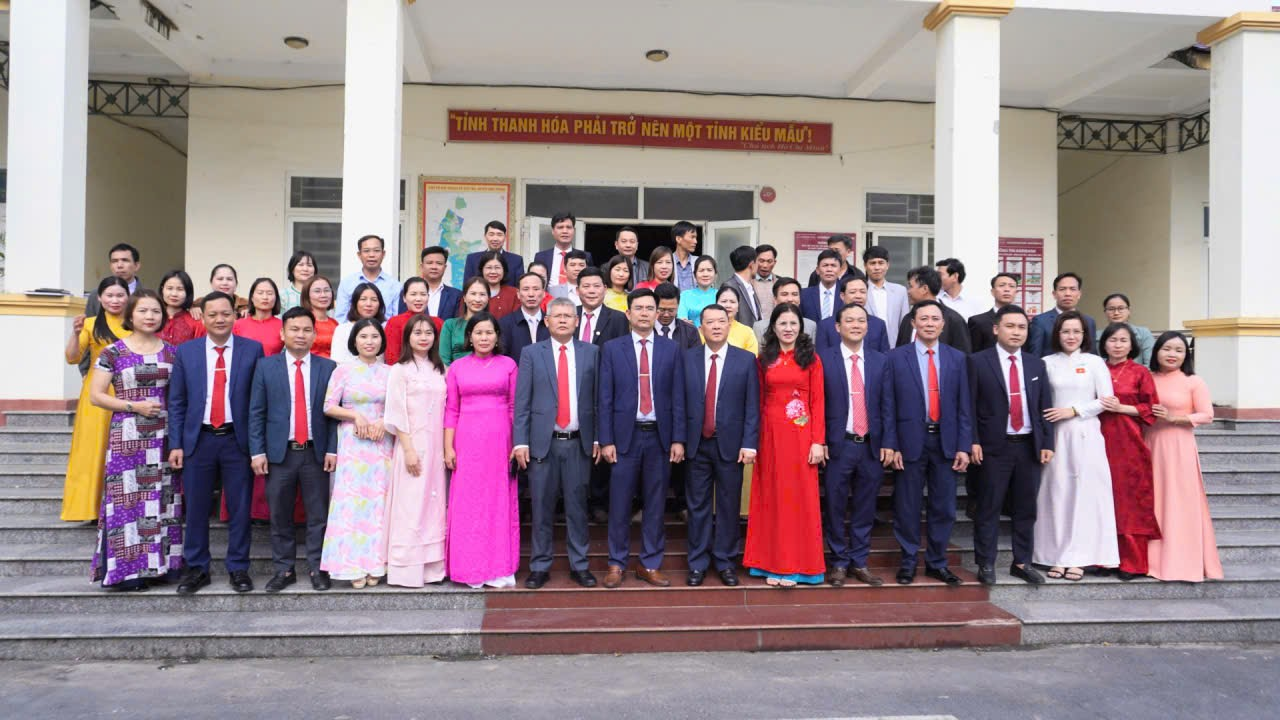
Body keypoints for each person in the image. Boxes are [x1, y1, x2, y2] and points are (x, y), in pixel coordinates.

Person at [167, 291, 264, 595]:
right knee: (196, 508)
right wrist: (176, 443)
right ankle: (197, 568)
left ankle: (238, 567)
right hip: (199, 440)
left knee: (240, 508)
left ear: (235, 315)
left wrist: (257, 446)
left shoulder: (252, 350)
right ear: (203, 318)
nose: (220, 319)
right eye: (213, 314)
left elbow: (258, 402)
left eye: (225, 313)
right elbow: (177, 401)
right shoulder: (187, 352)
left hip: (237, 440)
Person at [87, 290, 182, 591]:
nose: (150, 316)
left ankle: (161, 566)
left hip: (164, 437)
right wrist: (134, 406)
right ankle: (128, 571)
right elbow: (96, 396)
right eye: (143, 311)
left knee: (162, 501)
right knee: (127, 504)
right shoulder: (112, 352)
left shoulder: (173, 353)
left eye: (155, 311)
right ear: (130, 315)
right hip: (128, 436)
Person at [599, 289, 686, 588]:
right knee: (620, 503)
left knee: (655, 503)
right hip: (624, 438)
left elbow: (678, 396)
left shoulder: (671, 349)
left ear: (658, 313)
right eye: (639, 308)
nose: (645, 313)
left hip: (659, 437)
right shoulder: (612, 348)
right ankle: (616, 563)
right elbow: (604, 397)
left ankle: (649, 563)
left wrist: (678, 438)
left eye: (650, 308)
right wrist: (606, 439)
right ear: (628, 313)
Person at [249, 307, 340, 593]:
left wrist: (332, 449)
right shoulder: (266, 367)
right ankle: (284, 569)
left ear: (314, 334)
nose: (301, 335)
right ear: (282, 333)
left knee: (318, 515)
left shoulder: (329, 367)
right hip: (280, 454)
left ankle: (317, 567)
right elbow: (256, 412)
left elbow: (334, 415)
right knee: (279, 514)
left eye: (306, 330)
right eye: (294, 329)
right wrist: (257, 452)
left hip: (316, 453)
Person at [513, 298, 601, 589]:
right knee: (541, 508)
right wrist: (520, 442)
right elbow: (522, 402)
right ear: (547, 321)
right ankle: (539, 566)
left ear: (577, 321)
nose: (562, 320)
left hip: (578, 443)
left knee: (577, 507)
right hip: (543, 443)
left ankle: (580, 565)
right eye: (557, 316)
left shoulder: (591, 352)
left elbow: (598, 400)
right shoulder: (531, 353)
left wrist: (598, 437)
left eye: (568, 316)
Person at [884, 300, 971, 586]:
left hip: (946, 442)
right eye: (924, 319)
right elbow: (888, 405)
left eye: (935, 319)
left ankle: (937, 562)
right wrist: (892, 444)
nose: (930, 323)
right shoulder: (896, 357)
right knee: (907, 506)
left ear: (943, 324)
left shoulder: (957, 358)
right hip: (909, 441)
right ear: (913, 323)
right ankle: (908, 562)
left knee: (943, 507)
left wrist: (964, 445)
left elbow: (964, 406)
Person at [967, 305, 1055, 586]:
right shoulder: (977, 361)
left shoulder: (1036, 364)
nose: (1016, 332)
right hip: (994, 446)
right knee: (989, 507)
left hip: (1028, 446)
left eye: (1022, 327)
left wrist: (1047, 441)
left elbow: (1044, 406)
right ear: (996, 329)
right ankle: (986, 563)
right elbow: (968, 406)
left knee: (1026, 508)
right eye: (1010, 326)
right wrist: (972, 440)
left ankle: (1022, 562)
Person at [743, 303, 826, 586]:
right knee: (771, 497)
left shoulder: (811, 359)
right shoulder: (763, 359)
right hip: (769, 435)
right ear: (773, 327)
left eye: (793, 324)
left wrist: (818, 442)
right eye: (782, 324)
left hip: (801, 436)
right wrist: (752, 440)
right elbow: (756, 401)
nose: (788, 329)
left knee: (798, 499)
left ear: (801, 327)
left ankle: (796, 566)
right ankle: (770, 563)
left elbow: (818, 402)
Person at [1033, 311, 1119, 581]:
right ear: (1057, 334)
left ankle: (1080, 558)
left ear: (1085, 335)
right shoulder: (1046, 363)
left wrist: (1073, 410)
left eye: (1076, 332)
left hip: (1085, 433)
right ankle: (1055, 556)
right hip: (1055, 436)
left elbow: (1106, 400)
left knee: (1085, 495)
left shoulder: (1094, 363)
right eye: (1066, 331)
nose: (1071, 337)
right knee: (1056, 493)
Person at [682, 304, 759, 587]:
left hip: (731, 446)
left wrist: (750, 443)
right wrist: (679, 440)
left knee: (728, 506)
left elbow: (752, 406)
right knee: (698, 506)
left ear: (729, 325)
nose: (716, 326)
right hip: (696, 444)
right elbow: (679, 402)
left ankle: (726, 562)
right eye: (710, 322)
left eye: (721, 321)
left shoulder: (746, 360)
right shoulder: (687, 358)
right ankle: (697, 563)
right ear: (701, 327)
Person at [443, 312, 520, 588]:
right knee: (468, 504)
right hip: (466, 442)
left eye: (489, 332)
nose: (484, 337)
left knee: (497, 502)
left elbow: (514, 407)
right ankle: (468, 567)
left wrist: (515, 444)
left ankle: (498, 568)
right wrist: (448, 447)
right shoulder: (457, 367)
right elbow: (451, 410)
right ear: (470, 337)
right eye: (478, 333)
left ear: (497, 337)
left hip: (500, 441)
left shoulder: (509, 365)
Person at [819, 303, 893, 586]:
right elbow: (817, 404)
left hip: (871, 446)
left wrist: (889, 441)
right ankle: (838, 561)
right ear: (838, 327)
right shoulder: (823, 359)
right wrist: (820, 441)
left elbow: (888, 405)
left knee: (865, 506)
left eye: (861, 320)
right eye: (849, 320)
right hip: (838, 445)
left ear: (868, 326)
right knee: (835, 505)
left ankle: (859, 562)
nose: (856, 325)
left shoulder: (880, 360)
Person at [320, 319, 394, 589]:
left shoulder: (390, 372)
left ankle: (377, 564)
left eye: (375, 336)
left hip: (382, 442)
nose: (369, 341)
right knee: (352, 503)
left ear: (382, 340)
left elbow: (399, 407)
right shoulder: (343, 371)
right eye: (363, 336)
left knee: (379, 504)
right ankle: (351, 565)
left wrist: (383, 421)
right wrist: (355, 416)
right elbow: (329, 406)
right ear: (354, 341)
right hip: (353, 443)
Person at [1146, 331, 1223, 583]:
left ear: (1186, 355)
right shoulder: (1147, 378)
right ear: (1156, 351)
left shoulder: (1193, 381)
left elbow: (1206, 414)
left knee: (1178, 502)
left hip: (1179, 447)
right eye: (1167, 348)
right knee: (1152, 500)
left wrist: (1175, 418)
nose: (1172, 354)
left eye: (1179, 350)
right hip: (1149, 444)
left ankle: (1180, 561)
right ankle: (1148, 560)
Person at [383, 315, 448, 587]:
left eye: (428, 333)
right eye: (417, 332)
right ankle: (406, 568)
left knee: (434, 504)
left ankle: (433, 566)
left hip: (436, 448)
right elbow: (396, 412)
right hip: (412, 445)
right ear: (407, 337)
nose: (423, 337)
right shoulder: (400, 370)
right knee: (410, 505)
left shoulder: (441, 369)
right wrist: (408, 449)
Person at [62, 277, 131, 522]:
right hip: (96, 394)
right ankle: (88, 509)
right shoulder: (90, 324)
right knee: (92, 449)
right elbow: (72, 357)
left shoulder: (135, 323)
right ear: (100, 298)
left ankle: (120, 506)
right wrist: (75, 334)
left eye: (120, 295)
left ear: (128, 297)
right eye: (109, 295)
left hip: (127, 390)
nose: (115, 300)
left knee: (124, 450)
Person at [1098, 322, 1161, 580]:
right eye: (1112, 340)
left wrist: (1121, 408)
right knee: (1101, 498)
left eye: (1123, 340)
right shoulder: (1096, 367)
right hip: (1096, 440)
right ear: (1104, 343)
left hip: (1129, 443)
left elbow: (1151, 409)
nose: (1117, 345)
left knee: (1129, 500)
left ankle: (1132, 561)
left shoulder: (1140, 372)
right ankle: (1103, 559)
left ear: (1132, 345)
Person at [894, 266, 971, 353]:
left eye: (911, 286)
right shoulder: (908, 319)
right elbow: (899, 353)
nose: (908, 291)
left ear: (924, 289)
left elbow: (963, 355)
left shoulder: (954, 320)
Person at [1028, 272, 1097, 358]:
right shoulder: (1040, 321)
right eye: (1062, 289)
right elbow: (1035, 356)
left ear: (1079, 294)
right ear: (1054, 294)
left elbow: (1092, 352)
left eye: (1072, 289)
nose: (1067, 293)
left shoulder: (1089, 321)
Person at [816, 275, 890, 354]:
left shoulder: (879, 324)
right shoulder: (825, 325)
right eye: (852, 292)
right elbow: (821, 356)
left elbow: (885, 357)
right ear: (842, 296)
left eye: (862, 292)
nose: (858, 296)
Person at [335, 234, 401, 319]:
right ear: (359, 255)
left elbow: (397, 318)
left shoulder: (395, 285)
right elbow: (341, 317)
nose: (371, 255)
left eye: (376, 250)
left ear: (383, 254)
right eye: (366, 251)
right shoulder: (347, 283)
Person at [384, 276, 444, 365]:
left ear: (428, 297)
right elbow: (391, 357)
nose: (418, 299)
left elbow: (443, 355)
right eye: (413, 294)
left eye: (423, 294)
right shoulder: (394, 322)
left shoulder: (438, 323)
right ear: (404, 298)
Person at [863, 245, 909, 348]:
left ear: (887, 265)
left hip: (894, 347)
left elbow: (904, 324)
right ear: (865, 266)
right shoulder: (860, 291)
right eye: (872, 263)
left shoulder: (900, 291)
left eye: (881, 263)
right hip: (867, 347)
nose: (877, 267)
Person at [498, 272, 550, 362]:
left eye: (536, 289)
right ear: (518, 294)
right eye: (526, 289)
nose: (531, 294)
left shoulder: (552, 323)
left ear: (543, 293)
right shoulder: (505, 324)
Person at [332, 282, 387, 365]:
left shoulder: (385, 328)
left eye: (374, 300)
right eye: (363, 299)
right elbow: (338, 361)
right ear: (355, 303)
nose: (368, 304)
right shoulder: (342, 330)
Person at [534, 212, 594, 287]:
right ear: (553, 231)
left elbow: (590, 280)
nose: (565, 231)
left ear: (574, 230)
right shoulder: (541, 257)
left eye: (568, 227)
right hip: (549, 294)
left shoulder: (586, 256)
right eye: (560, 227)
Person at [575, 267, 630, 348]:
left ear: (605, 289)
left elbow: (623, 350)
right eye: (586, 286)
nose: (591, 291)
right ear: (577, 290)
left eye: (597, 286)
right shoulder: (569, 315)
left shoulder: (619, 318)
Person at [967, 273, 1020, 353]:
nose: (1007, 289)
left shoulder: (1023, 321)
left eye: (1011, 286)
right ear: (993, 292)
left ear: (1016, 292)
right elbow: (973, 353)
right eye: (1002, 285)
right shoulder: (978, 322)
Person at [752, 277, 817, 343]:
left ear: (799, 299)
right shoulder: (760, 327)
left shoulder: (810, 326)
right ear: (775, 299)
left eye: (794, 294)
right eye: (784, 294)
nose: (790, 299)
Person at [441, 277, 488, 366]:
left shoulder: (493, 325)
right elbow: (444, 361)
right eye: (473, 294)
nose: (477, 299)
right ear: (464, 298)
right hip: (456, 372)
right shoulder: (450, 325)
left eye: (482, 294)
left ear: (488, 298)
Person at [462, 221, 524, 288]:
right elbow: (467, 288)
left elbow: (520, 288)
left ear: (505, 237)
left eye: (499, 235)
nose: (495, 239)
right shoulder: (472, 259)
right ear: (485, 236)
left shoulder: (516, 260)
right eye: (491, 234)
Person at [1099, 293, 1155, 366]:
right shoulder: (1096, 336)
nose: (1116, 313)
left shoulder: (1143, 333)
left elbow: (1151, 364)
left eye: (1121, 308)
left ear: (1129, 310)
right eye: (1111, 309)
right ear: (1105, 312)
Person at [233, 278, 284, 356]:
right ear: (252, 298)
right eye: (260, 293)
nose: (265, 297)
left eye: (269, 293)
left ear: (276, 298)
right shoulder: (239, 324)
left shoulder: (282, 326)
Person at [713, 284, 760, 356]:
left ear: (738, 307)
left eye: (732, 302)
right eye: (724, 301)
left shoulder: (747, 332)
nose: (728, 305)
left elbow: (752, 358)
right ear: (716, 304)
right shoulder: (706, 329)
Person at [800, 250, 845, 325]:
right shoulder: (803, 294)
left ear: (840, 270)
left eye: (833, 265)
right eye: (825, 265)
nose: (829, 269)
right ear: (817, 270)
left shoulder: (846, 295)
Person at [653, 282, 702, 350]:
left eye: (671, 310)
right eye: (662, 310)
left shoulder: (690, 331)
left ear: (678, 306)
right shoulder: (645, 330)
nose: (666, 315)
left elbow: (696, 355)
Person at [158, 269, 200, 346]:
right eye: (170, 288)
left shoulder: (195, 320)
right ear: (162, 289)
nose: (174, 294)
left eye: (180, 289)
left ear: (188, 292)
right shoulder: (154, 318)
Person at [420, 246, 463, 321]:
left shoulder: (456, 295)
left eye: (439, 263)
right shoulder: (409, 293)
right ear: (422, 266)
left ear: (445, 267)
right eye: (429, 263)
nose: (434, 267)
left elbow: (458, 324)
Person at [725, 246, 764, 327]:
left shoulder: (749, 286)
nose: (759, 266)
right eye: (757, 262)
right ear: (752, 265)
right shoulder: (730, 286)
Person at [301, 275, 339, 358]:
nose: (323, 295)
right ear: (307, 295)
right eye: (317, 291)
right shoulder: (302, 322)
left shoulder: (335, 324)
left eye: (327, 290)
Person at [677, 255, 719, 326]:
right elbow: (682, 321)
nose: (705, 274)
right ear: (695, 275)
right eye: (701, 270)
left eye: (709, 270)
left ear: (715, 274)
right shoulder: (685, 295)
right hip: (691, 332)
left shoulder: (720, 295)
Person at [480, 251, 520, 319]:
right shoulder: (473, 293)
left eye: (497, 267)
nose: (493, 272)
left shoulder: (514, 294)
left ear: (504, 270)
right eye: (489, 267)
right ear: (482, 270)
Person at [750, 244, 779, 320]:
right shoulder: (747, 282)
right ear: (754, 261)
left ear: (774, 262)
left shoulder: (780, 283)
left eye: (769, 261)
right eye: (761, 261)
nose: (765, 265)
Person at [670, 220, 700, 291]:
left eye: (696, 238)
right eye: (692, 237)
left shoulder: (698, 261)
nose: (695, 241)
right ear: (678, 239)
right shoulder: (668, 261)